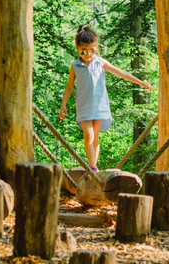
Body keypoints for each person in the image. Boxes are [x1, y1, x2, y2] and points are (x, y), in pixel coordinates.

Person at [59, 25, 152, 171]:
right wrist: (63, 104)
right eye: (84, 51)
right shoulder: (75, 66)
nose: (88, 54)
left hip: (100, 105)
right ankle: (91, 166)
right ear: (78, 49)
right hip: (84, 105)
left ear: (96, 48)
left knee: (95, 137)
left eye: (92, 50)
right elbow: (69, 87)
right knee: (88, 135)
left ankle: (93, 168)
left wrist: (140, 82)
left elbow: (120, 72)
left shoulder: (100, 62)